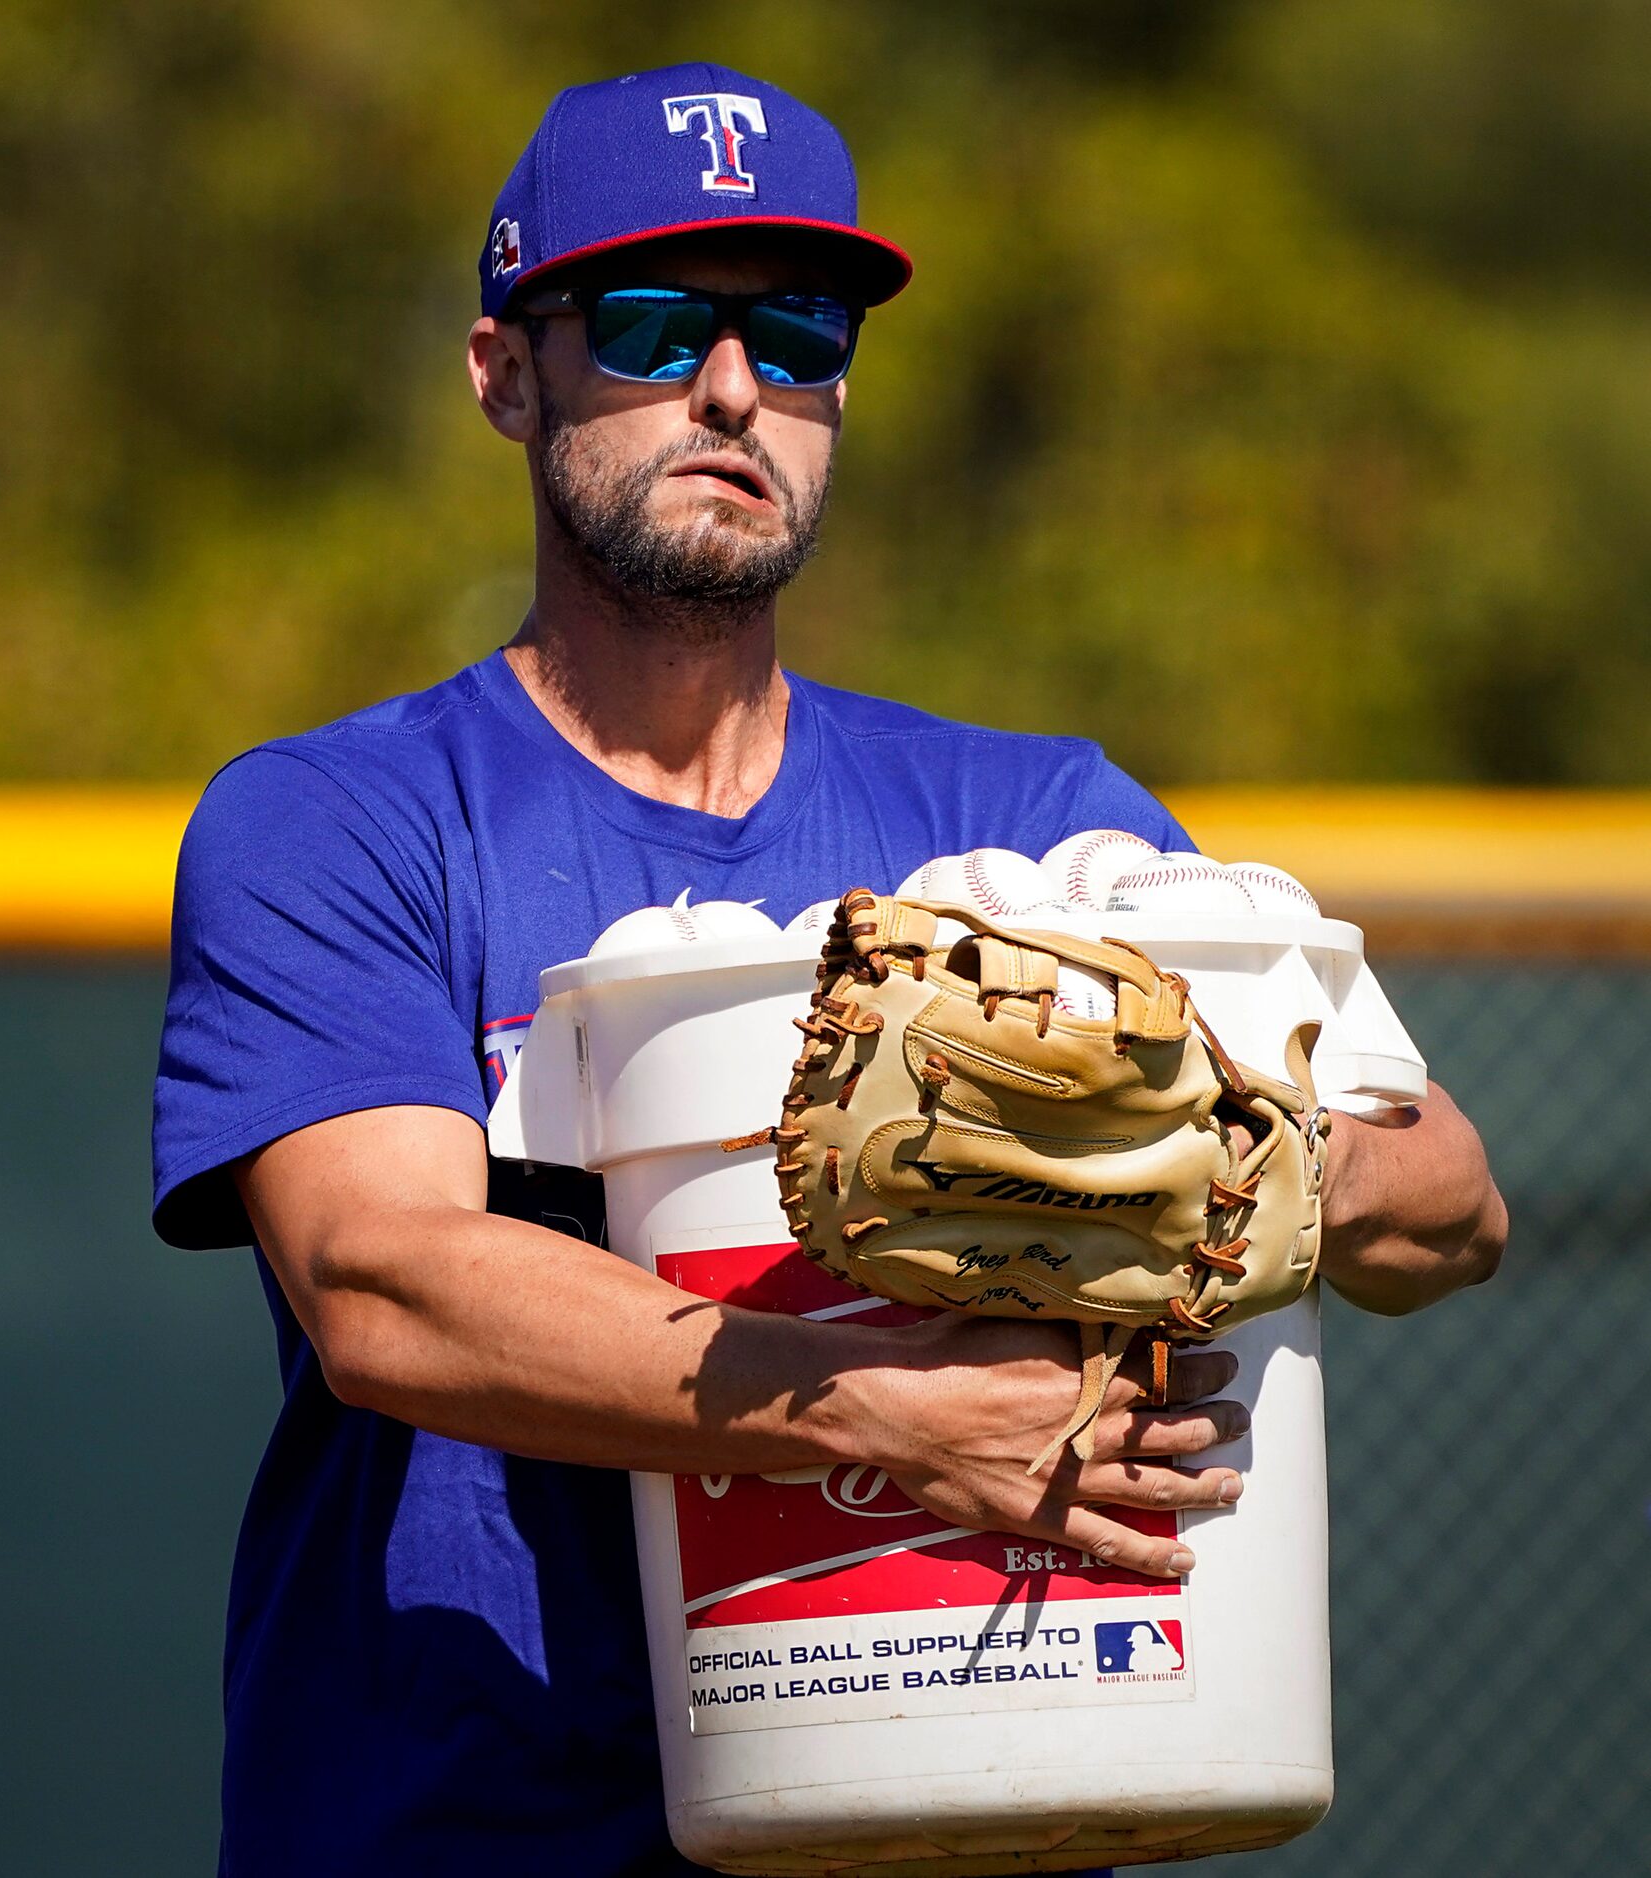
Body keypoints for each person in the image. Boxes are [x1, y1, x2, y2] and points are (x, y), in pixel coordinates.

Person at [151, 61, 1507, 1877]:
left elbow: (1445, 1200)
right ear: (504, 373)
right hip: (462, 1829)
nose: (733, 390)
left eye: (795, 332)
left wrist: (1213, 1160)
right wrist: (894, 1416)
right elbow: (386, 1282)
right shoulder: (343, 819)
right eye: (648, 323)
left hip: (961, 1814)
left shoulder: (1037, 819)